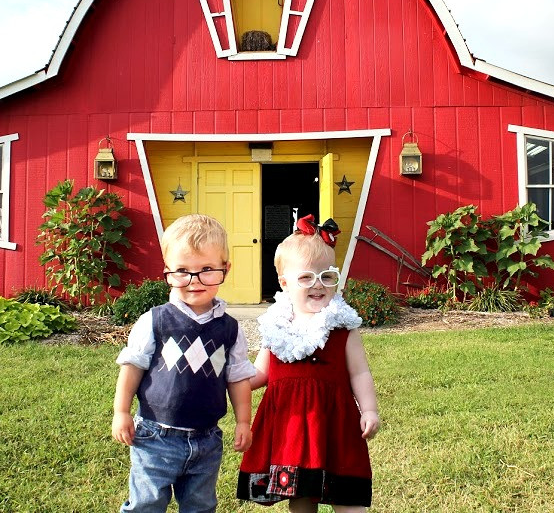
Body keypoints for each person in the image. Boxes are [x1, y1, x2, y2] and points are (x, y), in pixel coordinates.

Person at [112, 214, 256, 513]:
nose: (194, 280)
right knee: (147, 504)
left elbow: (237, 377)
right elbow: (133, 366)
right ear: (167, 271)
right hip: (154, 435)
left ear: (225, 269)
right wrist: (121, 411)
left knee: (201, 506)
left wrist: (243, 421)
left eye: (206, 269)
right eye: (182, 271)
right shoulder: (156, 320)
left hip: (207, 439)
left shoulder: (229, 328)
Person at [238, 215, 380, 511]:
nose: (318, 286)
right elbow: (261, 373)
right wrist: (232, 378)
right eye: (306, 278)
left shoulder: (342, 327)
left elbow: (360, 373)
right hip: (291, 426)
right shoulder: (277, 328)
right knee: (300, 496)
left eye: (327, 277)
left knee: (347, 492)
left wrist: (368, 409)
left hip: (335, 423)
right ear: (284, 282)